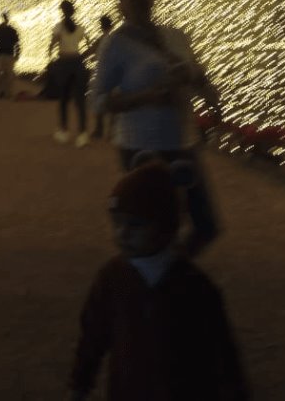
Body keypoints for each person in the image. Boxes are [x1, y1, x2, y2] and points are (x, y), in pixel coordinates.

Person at [68, 162, 248, 401]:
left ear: (164, 228)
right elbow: (93, 336)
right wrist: (80, 384)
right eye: (117, 223)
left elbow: (222, 353)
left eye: (135, 225)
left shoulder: (194, 287)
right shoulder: (111, 278)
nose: (122, 233)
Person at [92, 0, 223, 258]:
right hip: (140, 146)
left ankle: (166, 275)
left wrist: (194, 78)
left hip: (181, 142)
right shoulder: (114, 44)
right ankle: (152, 287)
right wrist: (145, 97)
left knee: (206, 225)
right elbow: (98, 101)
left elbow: (202, 81)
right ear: (119, 2)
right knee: (150, 228)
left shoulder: (176, 37)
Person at [49, 0, 90, 147]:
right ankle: (83, 133)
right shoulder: (80, 27)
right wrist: (82, 56)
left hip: (64, 64)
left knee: (64, 99)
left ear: (62, 11)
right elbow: (89, 44)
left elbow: (52, 45)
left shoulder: (58, 27)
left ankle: (64, 131)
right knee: (80, 100)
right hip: (78, 63)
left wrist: (50, 56)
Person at [85, 15, 115, 139]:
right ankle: (110, 131)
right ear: (111, 25)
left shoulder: (102, 39)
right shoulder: (113, 38)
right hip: (112, 72)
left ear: (101, 26)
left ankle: (99, 129)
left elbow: (91, 51)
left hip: (101, 72)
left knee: (98, 100)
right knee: (111, 100)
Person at [0, 12, 22, 99]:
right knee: (6, 74)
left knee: (2, 74)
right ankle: (6, 92)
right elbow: (17, 43)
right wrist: (18, 54)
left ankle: (3, 92)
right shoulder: (11, 30)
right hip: (6, 54)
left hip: (3, 54)